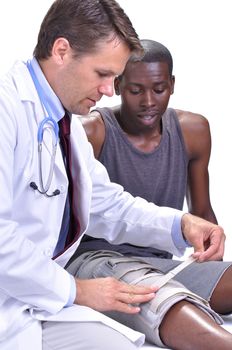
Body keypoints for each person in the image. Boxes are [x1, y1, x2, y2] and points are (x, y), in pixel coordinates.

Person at [0, 0, 229, 348]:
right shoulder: (7, 110)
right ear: (62, 50)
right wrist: (76, 289)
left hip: (33, 300)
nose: (110, 90)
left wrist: (180, 224)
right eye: (103, 74)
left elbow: (106, 205)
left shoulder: (65, 126)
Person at [68, 39, 232, 349]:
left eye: (159, 89)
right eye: (135, 90)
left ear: (172, 85)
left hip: (160, 264)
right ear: (117, 85)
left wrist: (211, 260)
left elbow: (202, 212)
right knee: (161, 297)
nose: (148, 101)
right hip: (96, 264)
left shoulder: (193, 130)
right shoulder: (91, 132)